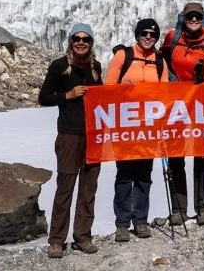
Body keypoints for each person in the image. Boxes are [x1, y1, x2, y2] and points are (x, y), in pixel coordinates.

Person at [38, 23, 103, 259]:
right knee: (65, 186)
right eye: (77, 38)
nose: (81, 42)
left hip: (93, 135)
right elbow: (43, 97)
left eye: (86, 39)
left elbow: (103, 99)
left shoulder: (96, 67)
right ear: (71, 41)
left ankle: (83, 236)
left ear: (91, 43)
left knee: (89, 187)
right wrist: (68, 95)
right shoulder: (59, 66)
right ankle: (56, 240)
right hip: (69, 134)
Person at [160, 2, 204, 226]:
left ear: (202, 18)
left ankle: (203, 207)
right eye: (190, 17)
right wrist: (171, 79)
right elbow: (162, 62)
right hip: (176, 103)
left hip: (202, 103)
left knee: (202, 154)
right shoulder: (172, 38)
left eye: (197, 16)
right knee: (176, 154)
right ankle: (179, 209)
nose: (194, 20)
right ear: (183, 19)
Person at [105, 18, 167, 242]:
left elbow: (165, 93)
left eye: (152, 34)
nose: (148, 37)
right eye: (144, 33)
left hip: (148, 126)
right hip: (125, 125)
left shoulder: (159, 60)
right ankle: (122, 223)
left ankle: (140, 220)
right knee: (124, 175)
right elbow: (108, 88)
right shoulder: (124, 55)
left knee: (143, 175)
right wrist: (124, 92)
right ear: (137, 34)